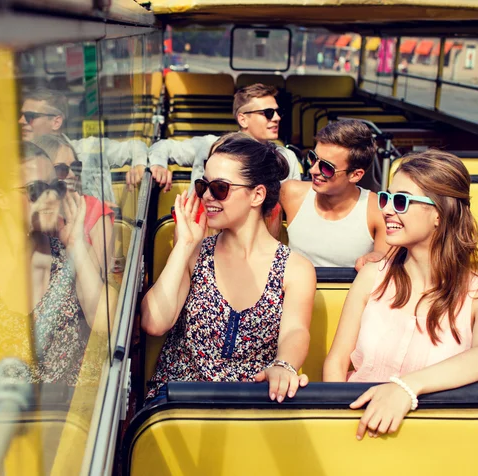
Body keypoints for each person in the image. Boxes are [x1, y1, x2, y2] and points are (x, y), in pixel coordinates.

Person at [323, 150, 478, 440]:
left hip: (434, 438)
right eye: (385, 198)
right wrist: (337, 424)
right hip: (357, 426)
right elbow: (336, 362)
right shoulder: (372, 276)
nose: (386, 209)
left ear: (439, 213)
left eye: (400, 201)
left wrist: (406, 388)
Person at [142, 135, 316, 404]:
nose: (207, 196)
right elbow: (154, 322)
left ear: (257, 195)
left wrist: (284, 364)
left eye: (220, 188)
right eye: (204, 186)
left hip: (252, 400)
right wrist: (184, 245)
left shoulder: (295, 268)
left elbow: (295, 331)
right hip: (182, 399)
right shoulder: (195, 253)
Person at [0, 142, 115, 386]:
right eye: (37, 189)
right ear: (1, 198)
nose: (51, 197)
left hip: (67, 412)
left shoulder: (68, 255)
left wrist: (76, 244)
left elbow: (106, 321)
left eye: (56, 187)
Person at [145, 83, 301, 193]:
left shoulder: (287, 157)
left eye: (277, 112)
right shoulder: (210, 145)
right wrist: (158, 165)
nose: (277, 118)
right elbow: (163, 146)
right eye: (268, 113)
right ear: (243, 119)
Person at [279, 120, 388, 269]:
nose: (313, 170)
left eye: (327, 167)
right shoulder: (290, 193)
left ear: (355, 175)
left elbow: (385, 258)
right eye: (312, 158)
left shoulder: (377, 210)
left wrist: (378, 258)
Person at [19, 88, 148, 203]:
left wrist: (138, 166)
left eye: (29, 116)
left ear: (56, 122)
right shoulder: (20, 164)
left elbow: (135, 147)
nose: (21, 121)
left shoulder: (90, 149)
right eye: (21, 115)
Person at [33, 134, 114, 274]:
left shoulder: (94, 210)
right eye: (61, 169)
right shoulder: (31, 213)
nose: (71, 175)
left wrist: (77, 244)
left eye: (75, 167)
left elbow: (102, 279)